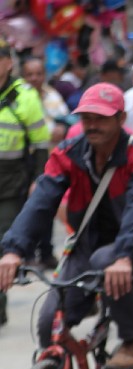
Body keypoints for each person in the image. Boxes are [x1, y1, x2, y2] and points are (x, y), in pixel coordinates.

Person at [0, 83, 133, 369]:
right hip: (84, 246)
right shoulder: (67, 154)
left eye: (101, 118)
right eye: (87, 118)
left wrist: (125, 256)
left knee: (106, 259)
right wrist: (14, 250)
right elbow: (41, 202)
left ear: (120, 119)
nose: (93, 125)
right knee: (47, 322)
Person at [0, 40, 51, 328]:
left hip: (11, 183)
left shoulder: (26, 97)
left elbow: (41, 145)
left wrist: (37, 181)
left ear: (8, 63)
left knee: (2, 245)